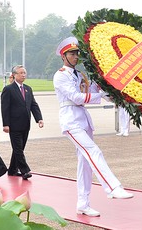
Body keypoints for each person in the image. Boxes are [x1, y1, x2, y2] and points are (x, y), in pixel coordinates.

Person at [53, 36, 133, 218]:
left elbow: (90, 94)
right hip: (71, 120)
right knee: (93, 151)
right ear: (63, 56)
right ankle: (113, 187)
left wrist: (103, 87)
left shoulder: (80, 75)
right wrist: (99, 94)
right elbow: (76, 97)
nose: (75, 57)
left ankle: (83, 203)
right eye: (71, 54)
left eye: (76, 53)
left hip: (83, 119)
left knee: (85, 164)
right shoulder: (60, 75)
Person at [1, 65, 44, 180]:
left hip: (25, 124)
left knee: (19, 148)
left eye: (24, 73)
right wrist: (6, 124)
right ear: (14, 75)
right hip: (14, 125)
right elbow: (5, 108)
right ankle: (25, 170)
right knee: (18, 149)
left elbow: (33, 105)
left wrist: (39, 118)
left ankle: (12, 170)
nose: (23, 75)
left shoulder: (28, 89)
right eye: (20, 73)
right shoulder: (8, 89)